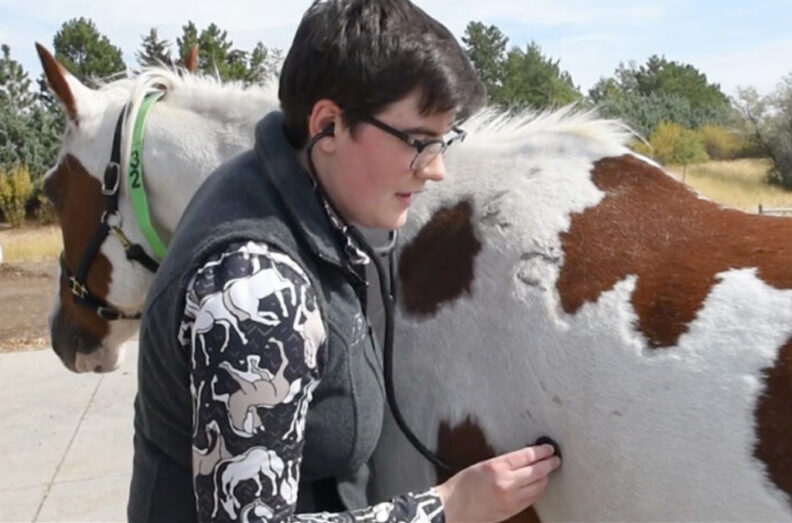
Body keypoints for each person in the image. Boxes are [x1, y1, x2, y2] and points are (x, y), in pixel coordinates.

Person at [127, 0, 561, 521]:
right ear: (328, 126)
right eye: (419, 143)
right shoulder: (257, 290)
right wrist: (448, 507)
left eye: (445, 141)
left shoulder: (273, 184)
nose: (437, 169)